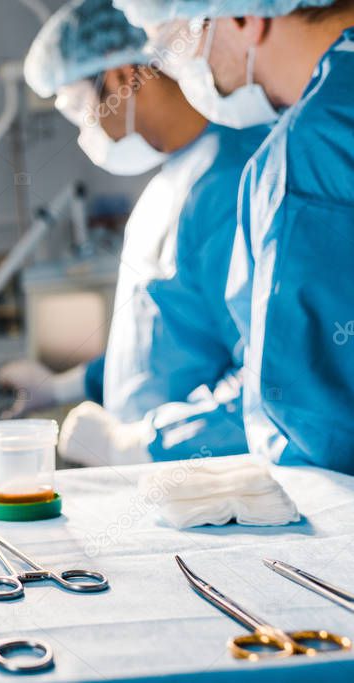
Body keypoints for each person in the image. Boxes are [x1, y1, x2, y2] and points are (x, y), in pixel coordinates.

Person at [1, 0, 266, 466]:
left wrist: (142, 445)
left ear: (123, 78)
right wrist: (61, 386)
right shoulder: (168, 186)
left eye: (79, 105)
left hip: (213, 486)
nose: (85, 128)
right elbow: (167, 337)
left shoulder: (233, 181)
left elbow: (272, 377)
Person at [112, 0, 354, 474]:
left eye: (177, 43)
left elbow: (316, 427)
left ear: (245, 17)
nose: (181, 72)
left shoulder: (309, 151)